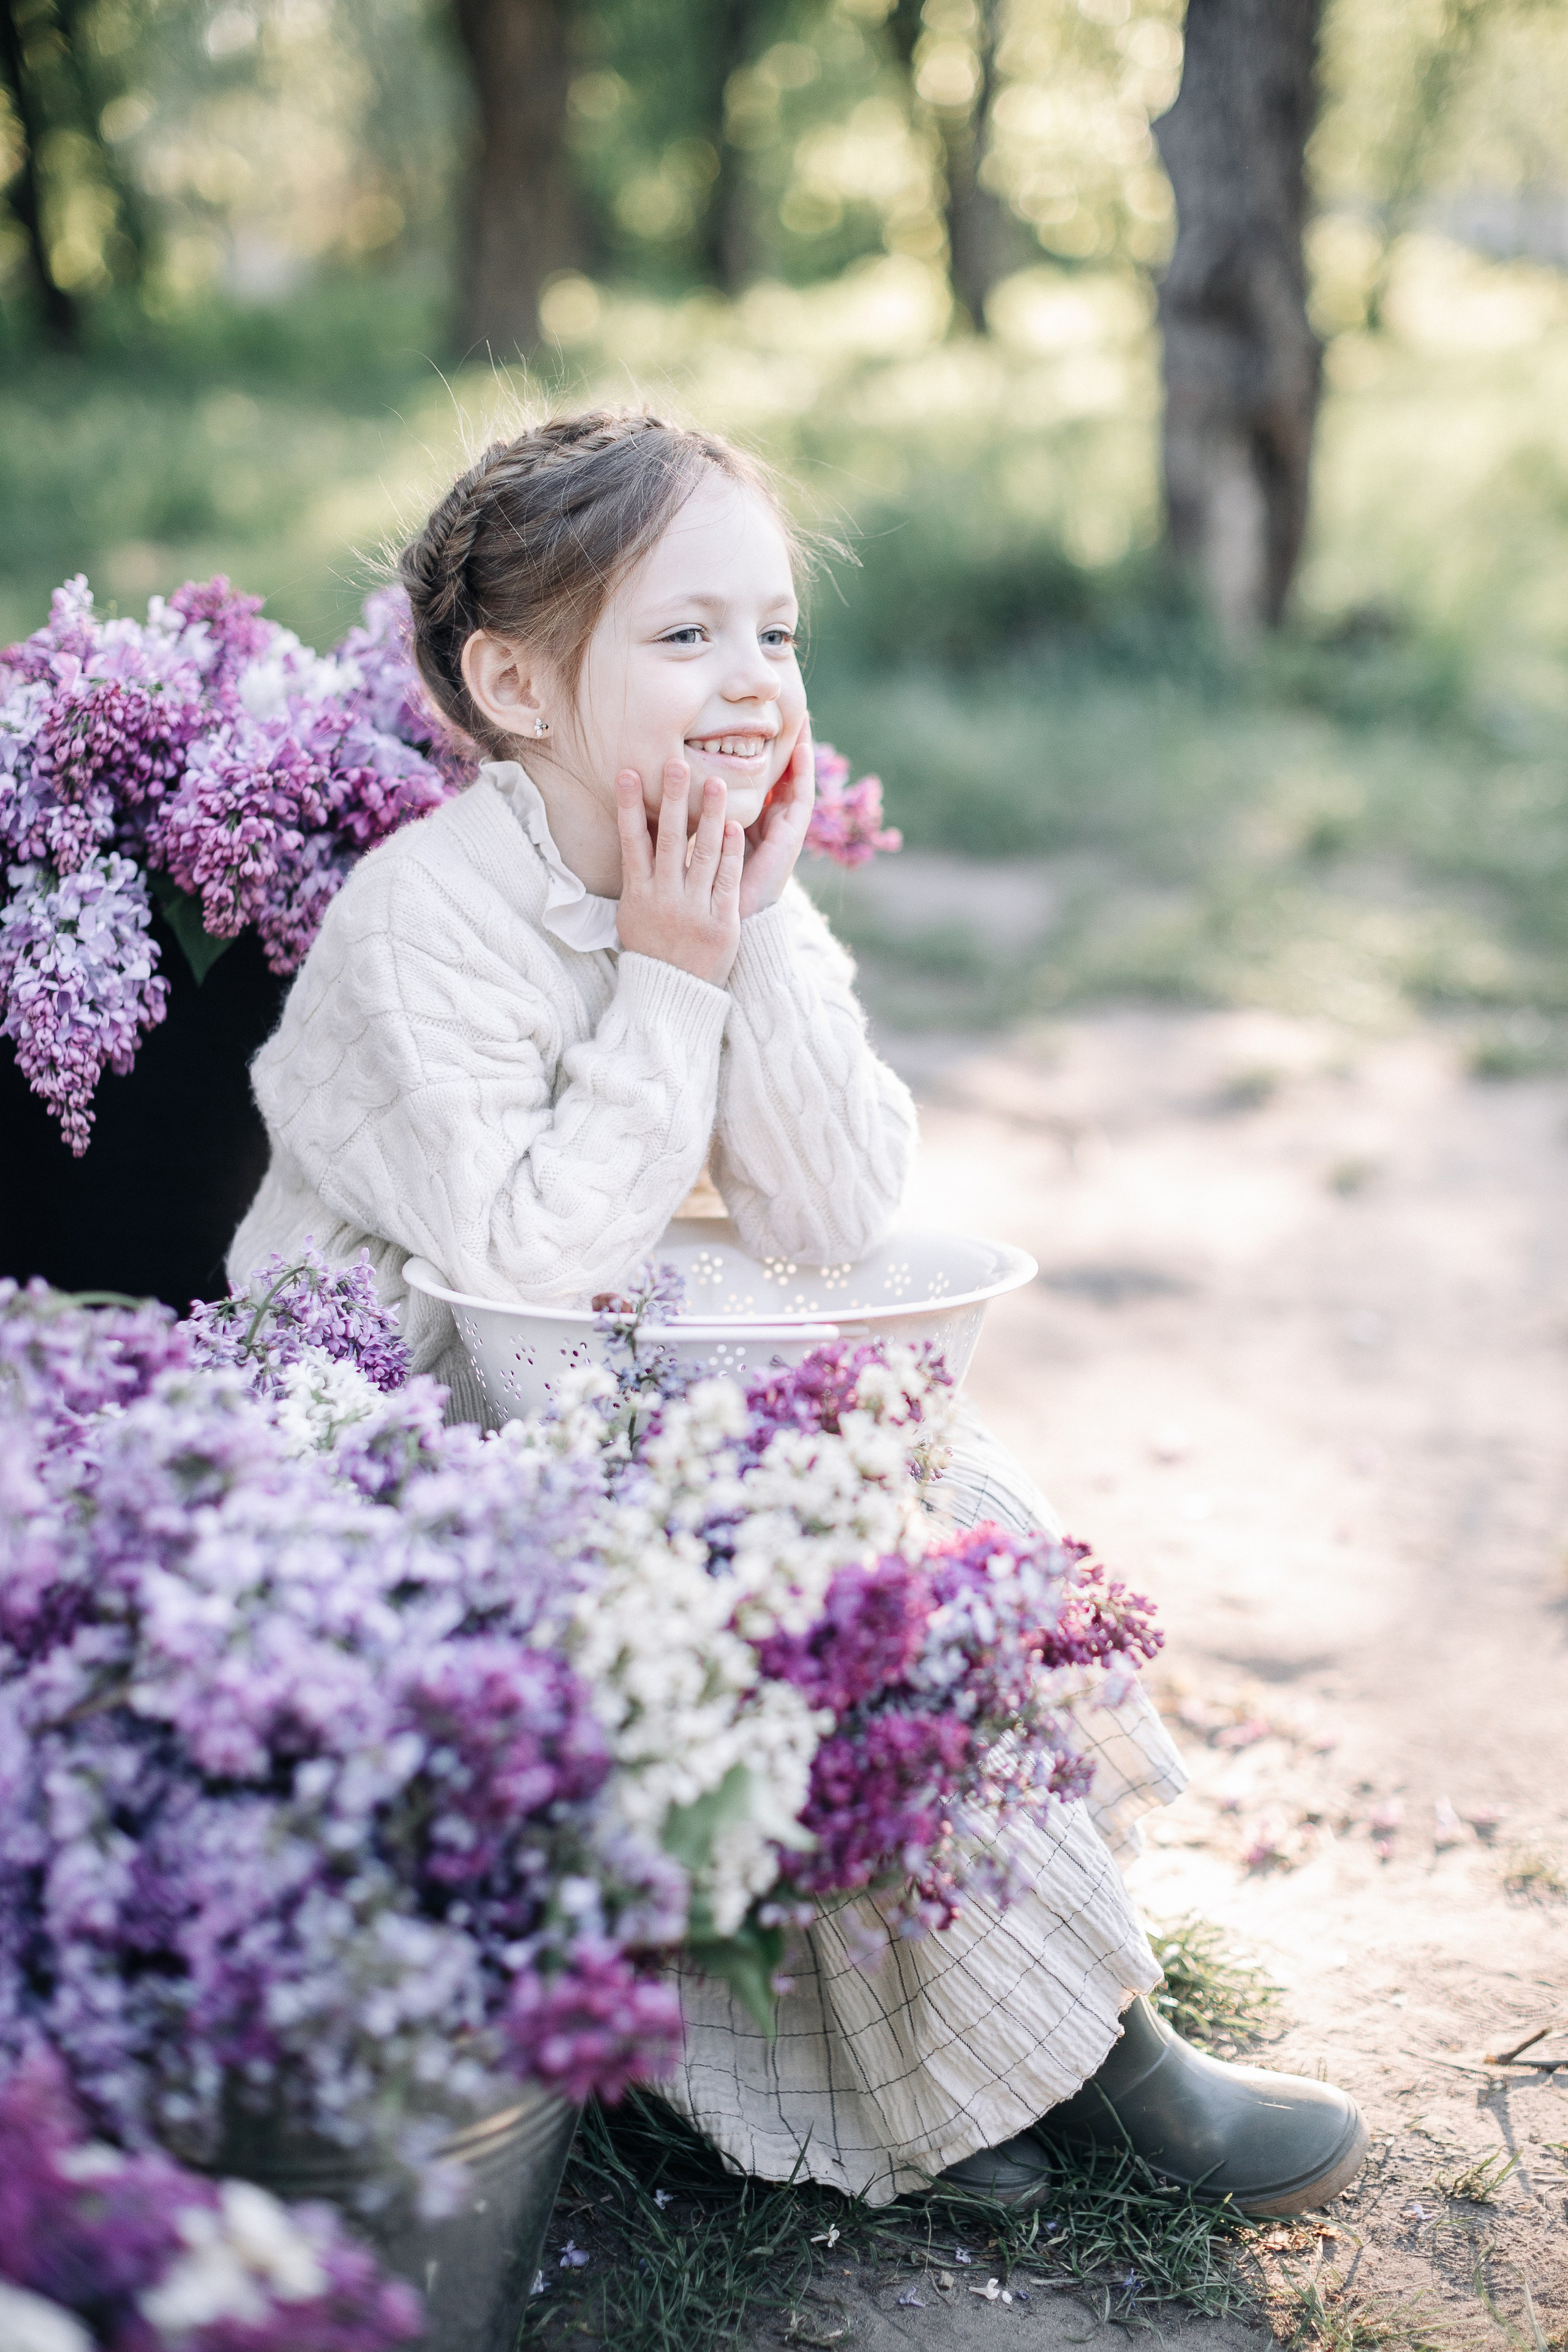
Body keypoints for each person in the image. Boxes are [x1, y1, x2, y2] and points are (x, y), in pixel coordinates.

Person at [229, 407, 1368, 2218]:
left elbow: (835, 1215)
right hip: (429, 1432)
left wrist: (751, 936)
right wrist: (673, 984)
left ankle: (1042, 2056)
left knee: (944, 1498)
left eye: (776, 631)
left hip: (632, 1371)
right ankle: (1031, 2084)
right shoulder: (417, 921)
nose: (752, 678)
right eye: (685, 637)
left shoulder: (722, 862)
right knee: (785, 1559)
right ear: (517, 682)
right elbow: (522, 1271)